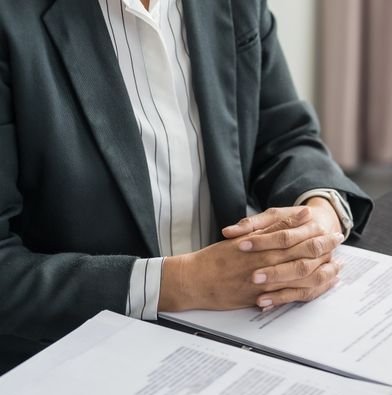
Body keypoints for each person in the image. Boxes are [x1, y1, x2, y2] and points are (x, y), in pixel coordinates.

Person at [0, 0, 372, 363]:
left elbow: (283, 134)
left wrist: (320, 217)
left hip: (240, 328)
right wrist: (182, 283)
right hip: (70, 358)